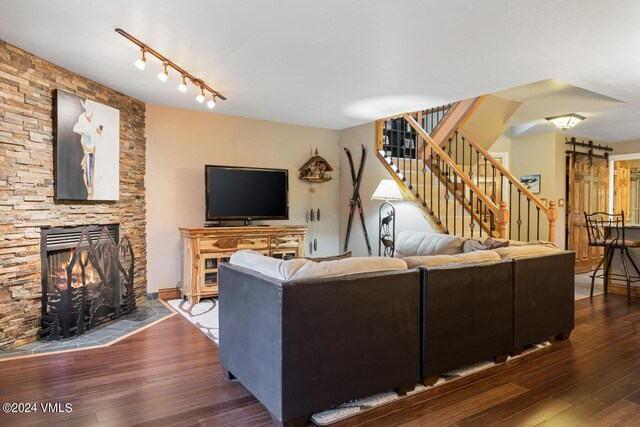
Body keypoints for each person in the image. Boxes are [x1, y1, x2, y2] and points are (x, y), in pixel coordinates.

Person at [73, 100, 102, 198]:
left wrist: (100, 131)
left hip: (95, 148)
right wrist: (83, 133)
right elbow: (76, 128)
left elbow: (100, 129)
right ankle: (89, 188)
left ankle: (92, 188)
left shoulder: (96, 118)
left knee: (94, 168)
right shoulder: (81, 117)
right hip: (87, 148)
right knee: (87, 169)